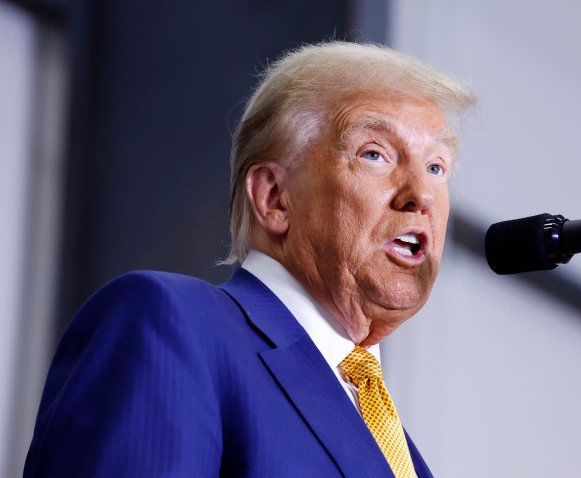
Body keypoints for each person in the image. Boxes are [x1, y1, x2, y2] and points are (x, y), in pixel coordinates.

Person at [24, 41, 476, 477]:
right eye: (374, 154)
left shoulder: (400, 453)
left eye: (436, 167)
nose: (421, 196)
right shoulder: (171, 323)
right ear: (274, 198)